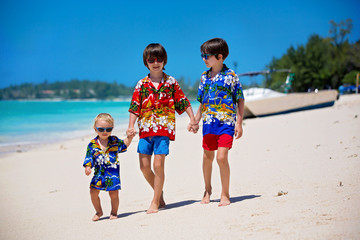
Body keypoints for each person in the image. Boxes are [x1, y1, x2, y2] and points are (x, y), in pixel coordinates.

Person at [127, 43, 198, 214]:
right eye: (152, 60)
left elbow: (183, 101)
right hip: (145, 130)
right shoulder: (141, 84)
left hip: (164, 130)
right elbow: (135, 106)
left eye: (159, 59)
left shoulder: (171, 82)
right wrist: (130, 126)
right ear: (146, 62)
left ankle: (154, 202)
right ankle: (159, 193)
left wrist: (193, 119)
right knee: (144, 167)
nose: (156, 62)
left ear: (164, 61)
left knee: (158, 165)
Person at [195, 38, 245, 206]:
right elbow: (202, 101)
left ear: (220, 56)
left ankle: (225, 193)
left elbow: (240, 99)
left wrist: (239, 123)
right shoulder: (204, 77)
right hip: (209, 123)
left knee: (221, 157)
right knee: (207, 157)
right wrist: (195, 120)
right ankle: (207, 189)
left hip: (226, 123)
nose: (204, 59)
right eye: (202, 55)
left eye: (207, 55)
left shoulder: (231, 76)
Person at [83, 113, 135, 221]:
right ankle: (99, 211)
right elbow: (89, 157)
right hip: (99, 174)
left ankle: (114, 212)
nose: (105, 132)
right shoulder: (92, 144)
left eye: (108, 129)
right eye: (101, 129)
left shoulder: (114, 141)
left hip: (113, 174)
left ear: (112, 129)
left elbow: (124, 145)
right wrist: (88, 167)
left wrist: (129, 137)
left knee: (114, 194)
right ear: (95, 129)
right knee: (93, 192)